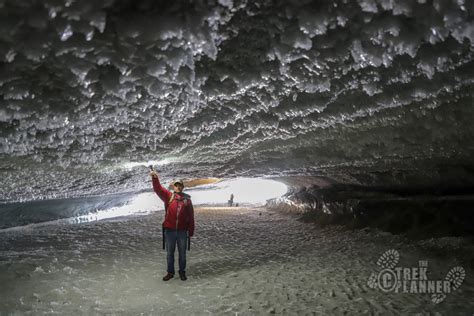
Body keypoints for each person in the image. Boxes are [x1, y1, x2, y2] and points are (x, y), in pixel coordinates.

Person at [151, 170, 194, 281]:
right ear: (173, 187)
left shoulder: (187, 200)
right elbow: (158, 189)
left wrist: (191, 230)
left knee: (182, 254)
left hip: (182, 232)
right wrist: (155, 178)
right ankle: (170, 272)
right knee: (170, 253)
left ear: (182, 187)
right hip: (169, 231)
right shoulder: (168, 196)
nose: (178, 187)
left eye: (180, 185)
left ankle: (182, 272)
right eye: (176, 185)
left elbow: (191, 216)